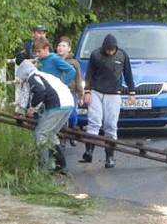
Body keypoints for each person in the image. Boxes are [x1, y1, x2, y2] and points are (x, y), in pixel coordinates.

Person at [81, 33, 136, 168]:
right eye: (108, 49)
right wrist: (87, 91)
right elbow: (89, 74)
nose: (110, 52)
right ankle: (89, 151)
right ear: (104, 48)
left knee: (111, 125)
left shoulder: (122, 55)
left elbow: (128, 74)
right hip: (96, 92)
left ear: (116, 48)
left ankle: (109, 157)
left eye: (113, 50)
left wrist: (132, 92)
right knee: (94, 121)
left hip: (114, 93)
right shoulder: (95, 55)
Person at [15, 60, 74, 173]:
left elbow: (40, 91)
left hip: (57, 105)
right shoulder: (43, 75)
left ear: (24, 73)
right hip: (68, 103)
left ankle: (43, 168)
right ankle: (61, 165)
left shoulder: (33, 77)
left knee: (40, 133)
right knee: (50, 134)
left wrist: (32, 108)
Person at [56, 36, 84, 146]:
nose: (60, 48)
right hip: (56, 92)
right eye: (59, 45)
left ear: (69, 48)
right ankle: (61, 137)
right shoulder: (54, 60)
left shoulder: (74, 63)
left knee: (72, 115)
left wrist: (80, 94)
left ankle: (72, 131)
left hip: (70, 92)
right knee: (59, 116)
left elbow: (78, 79)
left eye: (63, 46)